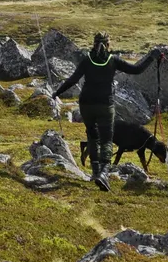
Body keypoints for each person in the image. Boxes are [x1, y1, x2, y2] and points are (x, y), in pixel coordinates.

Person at [52, 33, 160, 192]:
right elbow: (136, 70)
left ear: (93, 44)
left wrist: (57, 93)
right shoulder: (113, 61)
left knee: (92, 136)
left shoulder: (87, 60)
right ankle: (103, 173)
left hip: (86, 104)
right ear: (108, 45)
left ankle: (95, 172)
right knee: (106, 140)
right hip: (105, 105)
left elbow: (73, 80)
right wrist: (152, 56)